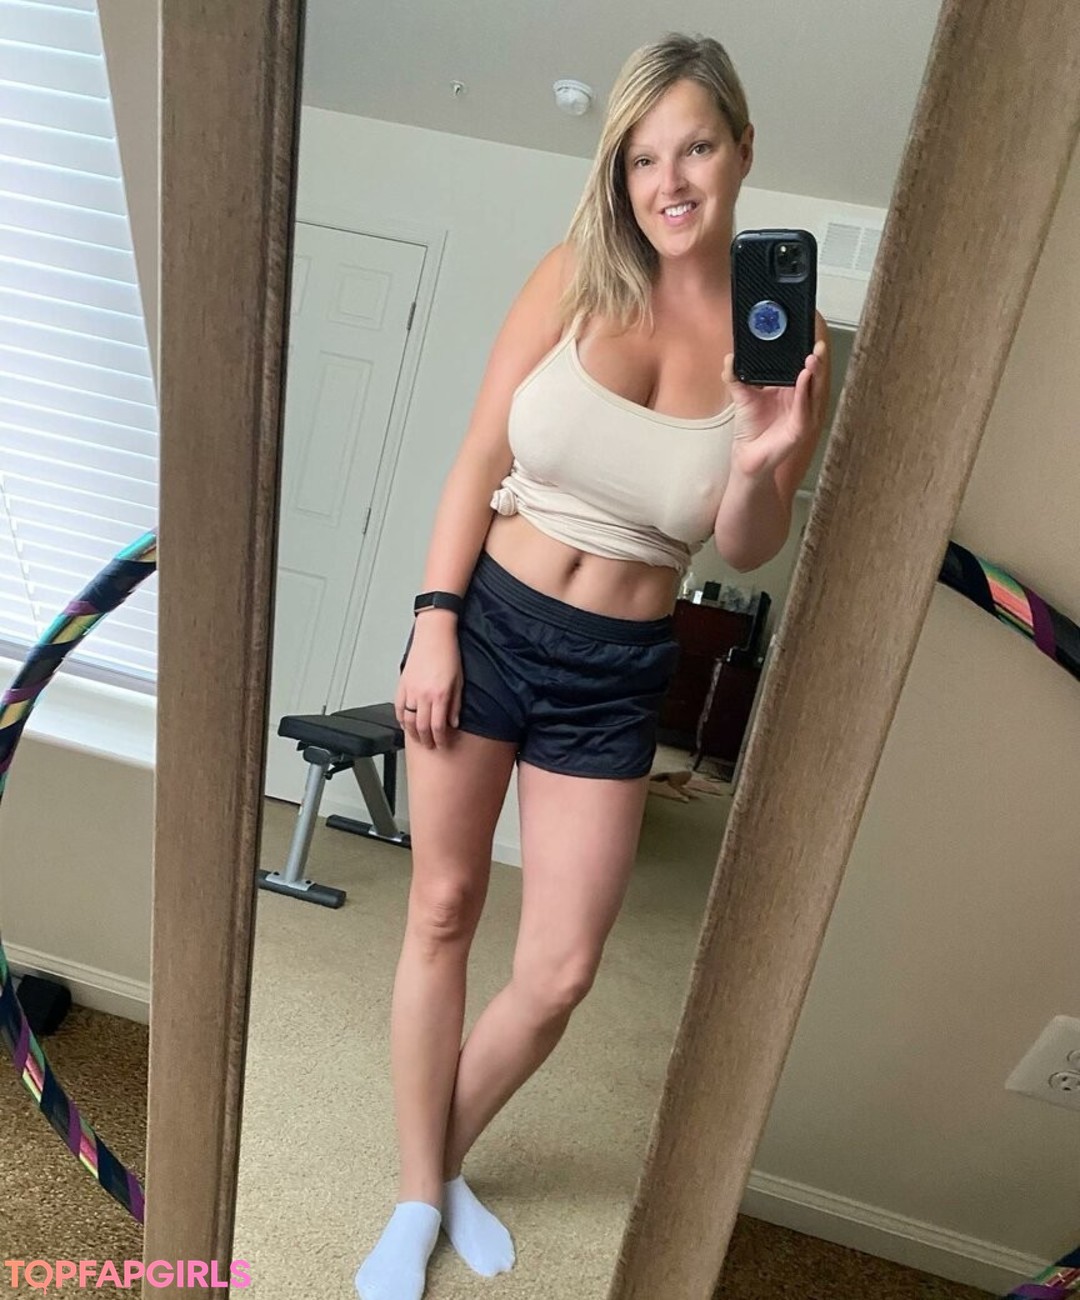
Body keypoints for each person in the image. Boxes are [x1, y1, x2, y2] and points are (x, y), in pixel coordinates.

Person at [355, 30, 830, 1300]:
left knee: (560, 969)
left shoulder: (786, 336)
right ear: (620, 170)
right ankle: (418, 1199)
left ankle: (436, 1162)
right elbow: (478, 452)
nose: (669, 181)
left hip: (618, 666)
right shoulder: (576, 270)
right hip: (489, 622)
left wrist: (761, 455)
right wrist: (436, 618)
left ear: (742, 149)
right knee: (443, 907)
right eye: (642, 157)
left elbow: (746, 542)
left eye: (696, 147)